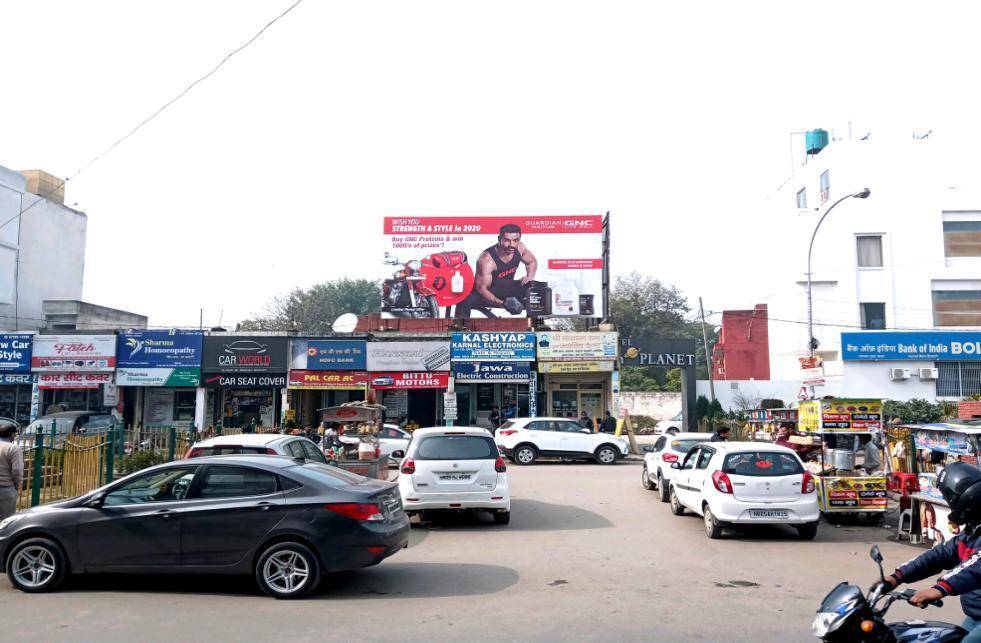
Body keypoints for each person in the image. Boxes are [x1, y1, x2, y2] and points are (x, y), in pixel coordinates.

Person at [876, 462, 981, 641]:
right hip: (976, 615)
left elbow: (976, 566)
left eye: (950, 500)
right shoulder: (973, 530)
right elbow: (941, 554)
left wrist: (940, 588)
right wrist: (898, 576)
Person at [453, 223, 539, 318]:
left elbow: (532, 261)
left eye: (515, 240)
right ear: (499, 239)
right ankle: (460, 328)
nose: (512, 245)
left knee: (535, 289)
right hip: (487, 292)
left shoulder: (520, 248)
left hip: (507, 287)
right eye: (507, 240)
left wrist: (529, 277)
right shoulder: (486, 259)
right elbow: (482, 289)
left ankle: (532, 326)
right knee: (465, 298)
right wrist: (503, 303)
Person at [0, 420, 23, 520]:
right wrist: (16, 485)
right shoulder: (13, 448)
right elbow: (17, 471)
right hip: (6, 489)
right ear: (12, 435)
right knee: (7, 521)